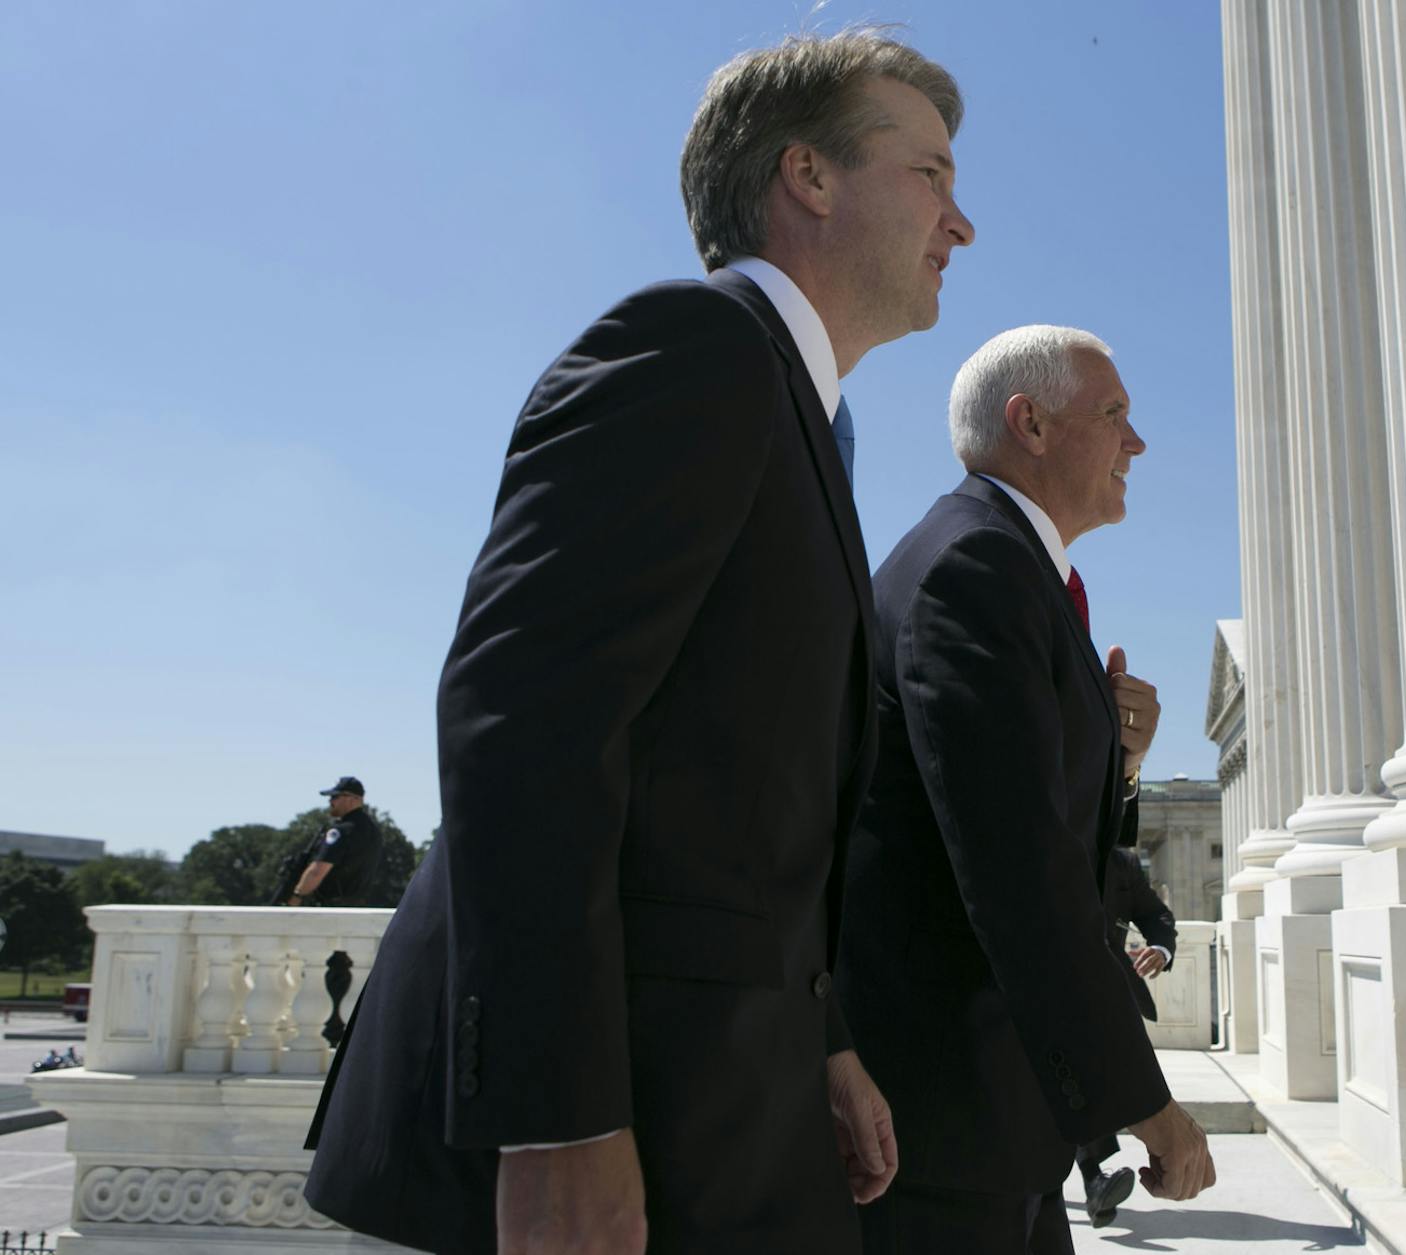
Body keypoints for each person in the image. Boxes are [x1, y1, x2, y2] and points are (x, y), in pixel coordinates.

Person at [302, 29, 975, 1255]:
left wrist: (819, 1035)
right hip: (568, 1150)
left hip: (720, 1105)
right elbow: (525, 720)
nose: (961, 220)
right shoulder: (694, 347)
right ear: (808, 178)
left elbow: (730, 796)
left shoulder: (804, 417)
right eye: (930, 172)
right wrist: (555, 1123)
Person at [838, 326, 1215, 1255]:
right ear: (1031, 423)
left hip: (989, 1126)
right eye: (1116, 414)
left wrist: (1120, 764)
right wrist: (1145, 1102)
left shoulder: (1005, 564)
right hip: (946, 1127)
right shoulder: (977, 568)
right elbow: (1019, 872)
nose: (1138, 443)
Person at [1076, 834, 1178, 1227]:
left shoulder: (1121, 863)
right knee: (1078, 1080)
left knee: (1085, 1084)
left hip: (1106, 993)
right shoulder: (1035, 838)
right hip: (1042, 990)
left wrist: (1162, 949)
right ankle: (1093, 1182)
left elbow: (1157, 916)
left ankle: (1093, 1183)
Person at [281, 777, 383, 908]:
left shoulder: (340, 831)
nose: (330, 801)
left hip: (332, 909)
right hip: (360, 909)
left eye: (335, 797)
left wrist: (296, 896)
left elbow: (317, 871)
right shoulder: (374, 831)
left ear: (353, 799)